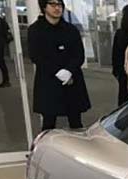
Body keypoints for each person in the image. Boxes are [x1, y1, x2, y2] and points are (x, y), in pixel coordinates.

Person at [27, 0, 90, 130]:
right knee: (48, 123)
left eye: (59, 5)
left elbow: (79, 55)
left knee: (76, 123)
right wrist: (57, 71)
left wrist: (69, 70)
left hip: (71, 79)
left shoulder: (71, 30)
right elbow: (36, 56)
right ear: (44, 7)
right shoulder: (35, 30)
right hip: (48, 81)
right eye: (53, 4)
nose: (57, 8)